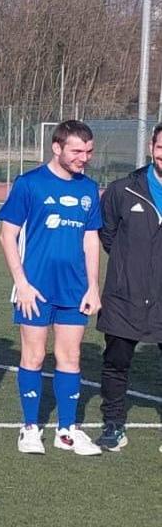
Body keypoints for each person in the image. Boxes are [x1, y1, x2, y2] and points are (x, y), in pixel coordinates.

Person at [0, 119, 102, 455]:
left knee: (70, 357)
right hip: (35, 289)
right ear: (56, 148)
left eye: (87, 151)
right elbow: (7, 235)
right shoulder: (30, 184)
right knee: (34, 355)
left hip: (74, 290)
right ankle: (30, 428)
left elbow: (90, 241)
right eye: (76, 151)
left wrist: (93, 287)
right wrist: (22, 283)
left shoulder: (88, 189)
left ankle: (67, 431)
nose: (82, 158)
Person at [95, 123, 162, 452]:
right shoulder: (124, 189)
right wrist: (129, 269)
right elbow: (106, 236)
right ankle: (113, 423)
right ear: (152, 146)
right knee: (116, 362)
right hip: (124, 296)